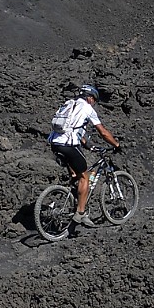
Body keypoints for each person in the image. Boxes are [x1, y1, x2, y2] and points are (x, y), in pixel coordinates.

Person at [48, 84, 120, 227]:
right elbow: (103, 132)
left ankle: (79, 206)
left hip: (55, 144)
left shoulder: (69, 104)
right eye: (94, 99)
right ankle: (80, 212)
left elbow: (74, 129)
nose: (94, 103)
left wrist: (88, 145)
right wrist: (116, 145)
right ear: (89, 97)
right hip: (68, 145)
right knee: (84, 176)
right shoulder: (87, 108)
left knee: (75, 176)